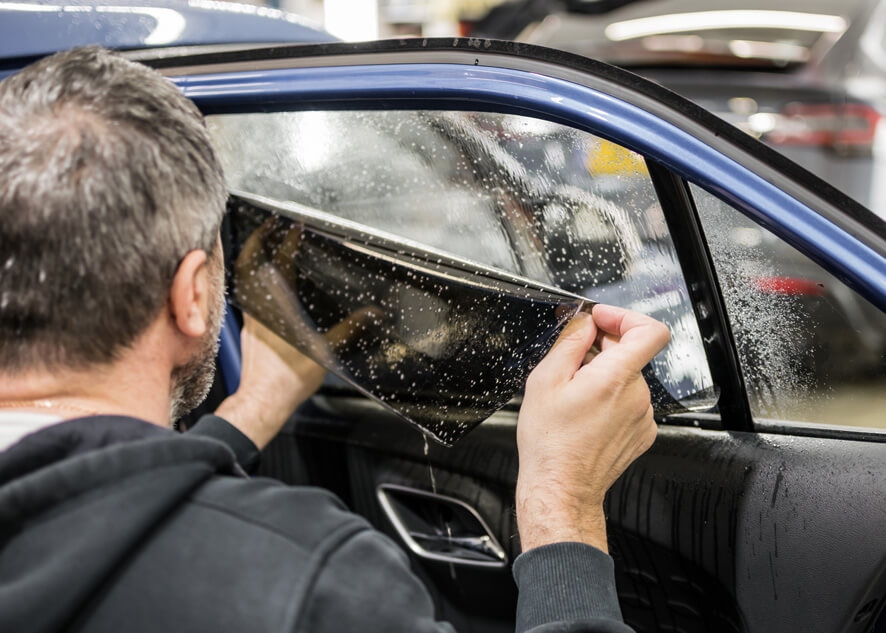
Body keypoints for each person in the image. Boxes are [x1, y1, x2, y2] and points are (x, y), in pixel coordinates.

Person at [0, 47, 669, 633]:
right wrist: (563, 507)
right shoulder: (304, 584)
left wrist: (249, 413)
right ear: (193, 296)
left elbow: (73, 503)